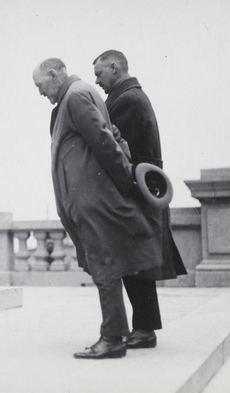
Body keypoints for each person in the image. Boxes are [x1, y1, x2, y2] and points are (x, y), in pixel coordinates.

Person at [32, 58, 166, 359]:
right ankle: (114, 334)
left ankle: (112, 338)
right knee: (107, 265)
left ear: (54, 75)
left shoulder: (76, 95)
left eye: (40, 86)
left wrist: (126, 180)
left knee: (104, 265)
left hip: (93, 200)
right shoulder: (81, 94)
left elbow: (105, 141)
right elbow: (114, 134)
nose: (40, 92)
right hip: (91, 199)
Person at [92, 50, 187, 349]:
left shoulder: (127, 101)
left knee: (135, 262)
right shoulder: (131, 96)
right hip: (145, 188)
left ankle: (144, 329)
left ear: (114, 67)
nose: (97, 81)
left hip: (136, 191)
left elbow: (120, 153)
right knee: (137, 262)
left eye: (99, 74)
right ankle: (144, 327)